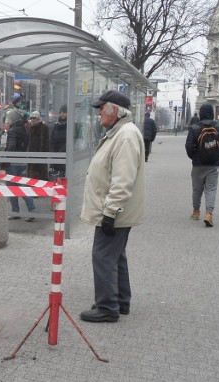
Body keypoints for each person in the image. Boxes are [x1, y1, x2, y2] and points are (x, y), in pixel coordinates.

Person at [79, 90, 145, 323]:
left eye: (101, 108)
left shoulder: (125, 135)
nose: (98, 113)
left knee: (103, 256)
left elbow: (123, 180)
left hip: (114, 211)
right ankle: (121, 302)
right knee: (116, 256)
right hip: (116, 210)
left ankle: (107, 307)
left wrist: (109, 212)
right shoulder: (120, 132)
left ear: (114, 110)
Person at [185, 103, 219, 227]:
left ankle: (196, 212)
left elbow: (188, 147)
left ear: (201, 114)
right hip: (213, 165)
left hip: (198, 165)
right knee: (211, 189)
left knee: (197, 189)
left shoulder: (194, 127)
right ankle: (209, 213)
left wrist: (194, 157)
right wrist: (217, 154)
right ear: (212, 113)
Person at [3, 109, 36, 221]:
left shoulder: (12, 131)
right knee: (23, 187)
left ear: (13, 119)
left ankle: (17, 211)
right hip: (21, 161)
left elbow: (11, 147)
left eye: (9, 118)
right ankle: (31, 210)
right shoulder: (23, 129)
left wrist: (3, 160)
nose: (8, 120)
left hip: (13, 163)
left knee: (12, 188)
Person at [26, 110, 49, 180]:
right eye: (31, 118)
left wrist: (44, 154)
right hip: (30, 155)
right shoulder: (29, 128)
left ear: (38, 119)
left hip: (40, 156)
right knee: (31, 177)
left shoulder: (43, 127)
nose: (33, 120)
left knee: (39, 176)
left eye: (34, 118)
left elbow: (46, 142)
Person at [49, 105, 68, 178]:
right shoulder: (56, 125)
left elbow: (71, 141)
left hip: (64, 155)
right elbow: (52, 139)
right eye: (61, 112)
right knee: (55, 176)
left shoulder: (70, 125)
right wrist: (52, 151)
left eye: (64, 112)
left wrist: (61, 151)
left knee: (63, 176)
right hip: (55, 155)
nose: (62, 114)